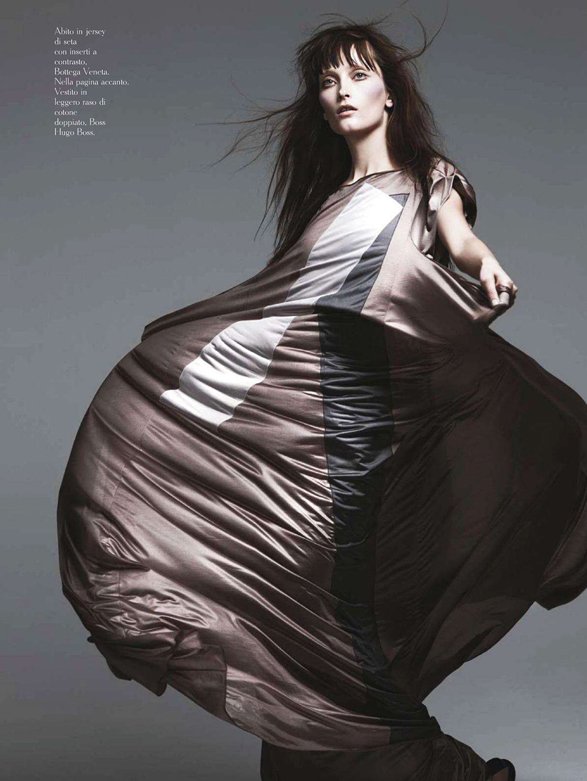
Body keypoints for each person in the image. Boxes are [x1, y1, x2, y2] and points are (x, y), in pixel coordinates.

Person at [56, 18, 587, 781]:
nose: (341, 92)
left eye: (357, 75)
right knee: (301, 588)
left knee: (330, 590)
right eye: (327, 81)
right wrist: (191, 390)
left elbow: (457, 237)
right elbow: (294, 311)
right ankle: (322, 740)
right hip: (304, 405)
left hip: (360, 413)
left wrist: (483, 263)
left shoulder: (425, 177)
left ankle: (390, 753)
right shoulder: (329, 202)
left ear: (390, 93)